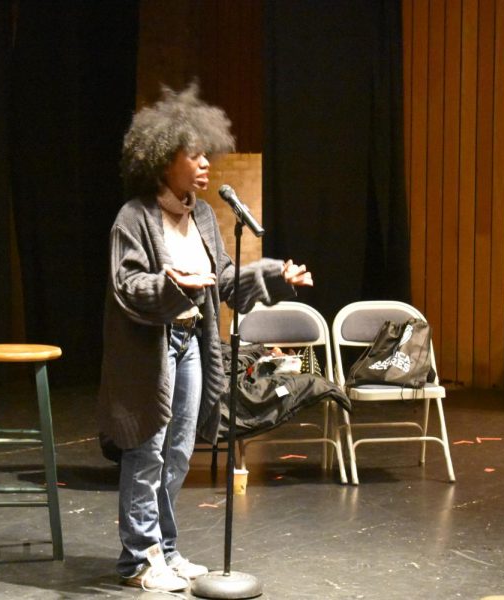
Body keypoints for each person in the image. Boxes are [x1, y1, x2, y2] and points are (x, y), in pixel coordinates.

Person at [98, 84, 313, 593]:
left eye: (205, 154)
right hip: (150, 349)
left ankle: (165, 550)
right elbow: (127, 285)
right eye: (192, 154)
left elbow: (223, 278)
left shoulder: (202, 216)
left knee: (177, 453)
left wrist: (275, 274)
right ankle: (136, 559)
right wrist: (172, 283)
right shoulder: (134, 217)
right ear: (160, 160)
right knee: (146, 451)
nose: (204, 164)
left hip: (192, 343)